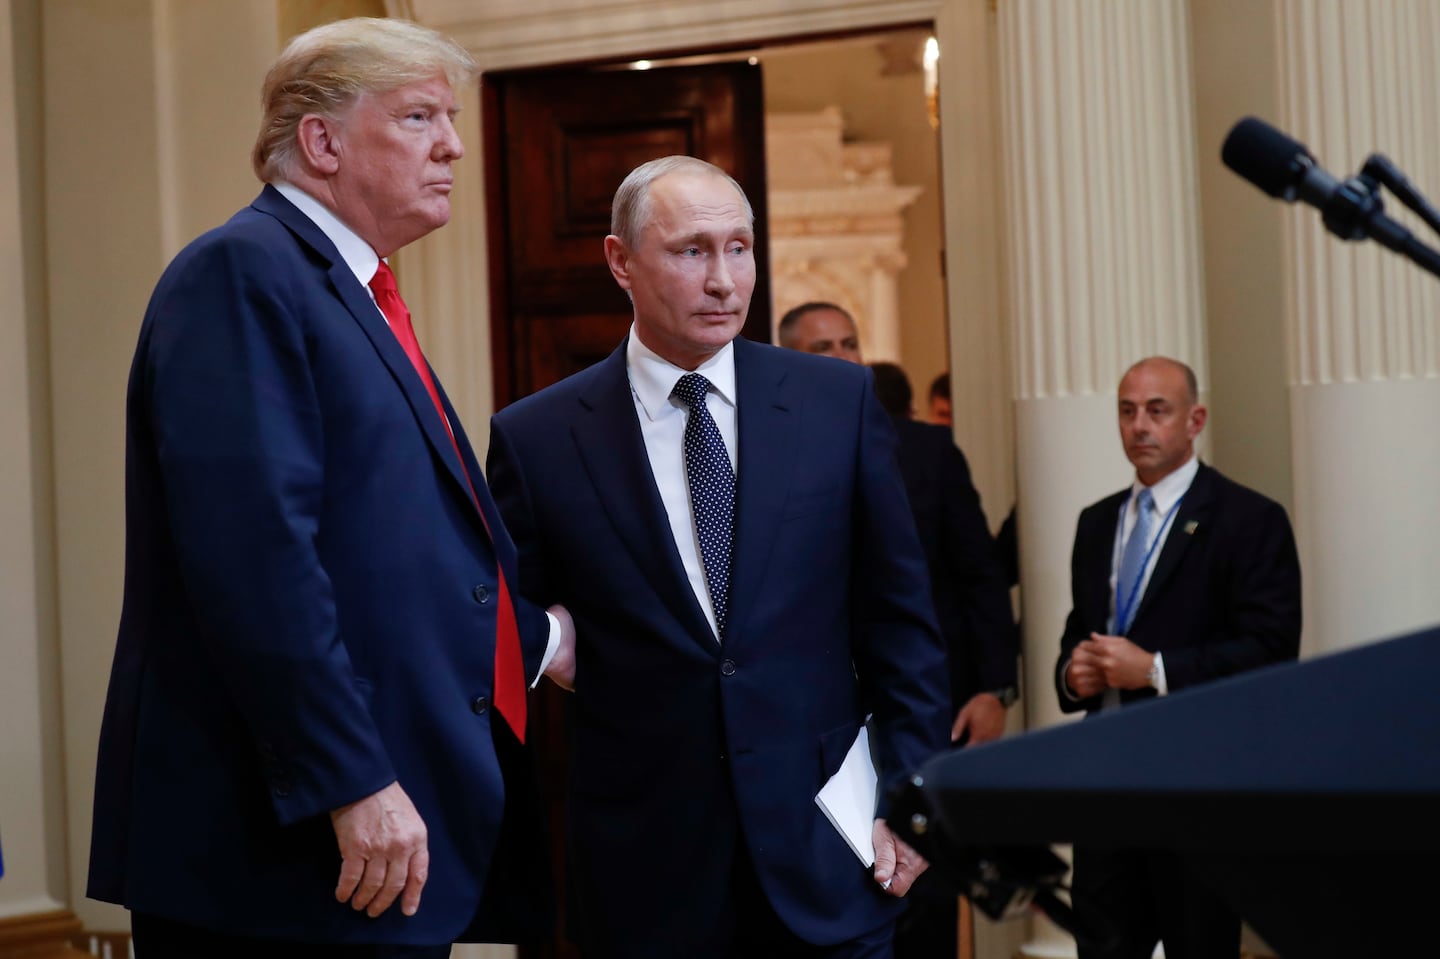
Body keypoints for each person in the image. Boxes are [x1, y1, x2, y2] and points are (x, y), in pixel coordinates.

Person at [87, 18, 574, 959]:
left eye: (451, 118)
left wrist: (541, 636)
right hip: (287, 851)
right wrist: (350, 778)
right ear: (322, 141)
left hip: (356, 845)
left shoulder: (352, 288)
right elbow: (255, 556)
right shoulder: (244, 272)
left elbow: (392, 550)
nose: (454, 145)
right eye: (421, 116)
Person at [486, 156, 950, 959]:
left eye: (739, 248)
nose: (725, 280)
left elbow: (901, 624)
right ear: (619, 261)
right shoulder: (537, 437)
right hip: (643, 875)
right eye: (692, 251)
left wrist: (911, 797)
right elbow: (495, 614)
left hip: (830, 857)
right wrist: (553, 643)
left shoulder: (833, 403)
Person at [782, 312, 1018, 959]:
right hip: (816, 724)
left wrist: (997, 686)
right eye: (820, 348)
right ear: (789, 359)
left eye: (849, 343)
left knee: (927, 895)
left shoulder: (928, 450)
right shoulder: (768, 455)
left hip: (928, 713)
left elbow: (980, 578)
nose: (841, 357)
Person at [1055, 356, 1302, 959]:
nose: (1140, 425)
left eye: (1157, 410)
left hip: (1198, 786)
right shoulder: (1096, 523)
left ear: (1195, 420)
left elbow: (1271, 651)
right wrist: (1072, 673)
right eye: (1127, 410)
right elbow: (1079, 630)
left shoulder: (1249, 520)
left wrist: (1157, 670)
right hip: (1106, 787)